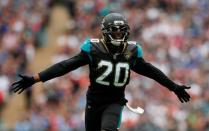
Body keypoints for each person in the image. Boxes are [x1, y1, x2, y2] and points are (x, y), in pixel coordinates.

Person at [11, 13, 191, 131]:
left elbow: (152, 72)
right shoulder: (93, 49)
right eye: (115, 32)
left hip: (114, 101)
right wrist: (36, 79)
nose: (119, 36)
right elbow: (65, 66)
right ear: (106, 32)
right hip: (93, 102)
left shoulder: (132, 52)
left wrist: (173, 87)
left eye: (122, 32)